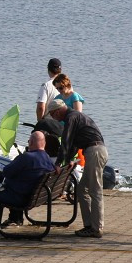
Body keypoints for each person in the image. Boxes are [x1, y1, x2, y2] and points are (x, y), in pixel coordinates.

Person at [0, 131, 55, 239]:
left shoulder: (26, 157)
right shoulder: (46, 158)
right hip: (34, 195)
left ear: (31, 142)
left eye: (29, 141)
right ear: (44, 143)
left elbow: (7, 172)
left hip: (19, 197)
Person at [47, 99, 108, 238]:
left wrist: (58, 163)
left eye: (52, 114)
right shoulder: (75, 117)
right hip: (94, 151)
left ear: (57, 111)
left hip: (95, 151)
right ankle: (89, 226)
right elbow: (73, 143)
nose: (53, 118)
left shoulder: (72, 117)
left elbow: (66, 141)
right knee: (81, 190)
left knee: (95, 191)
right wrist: (67, 160)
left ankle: (97, 228)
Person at [36, 58, 62, 122]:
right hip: (63, 123)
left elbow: (40, 108)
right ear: (60, 70)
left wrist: (40, 123)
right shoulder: (67, 85)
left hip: (49, 123)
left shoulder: (46, 85)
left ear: (48, 69)